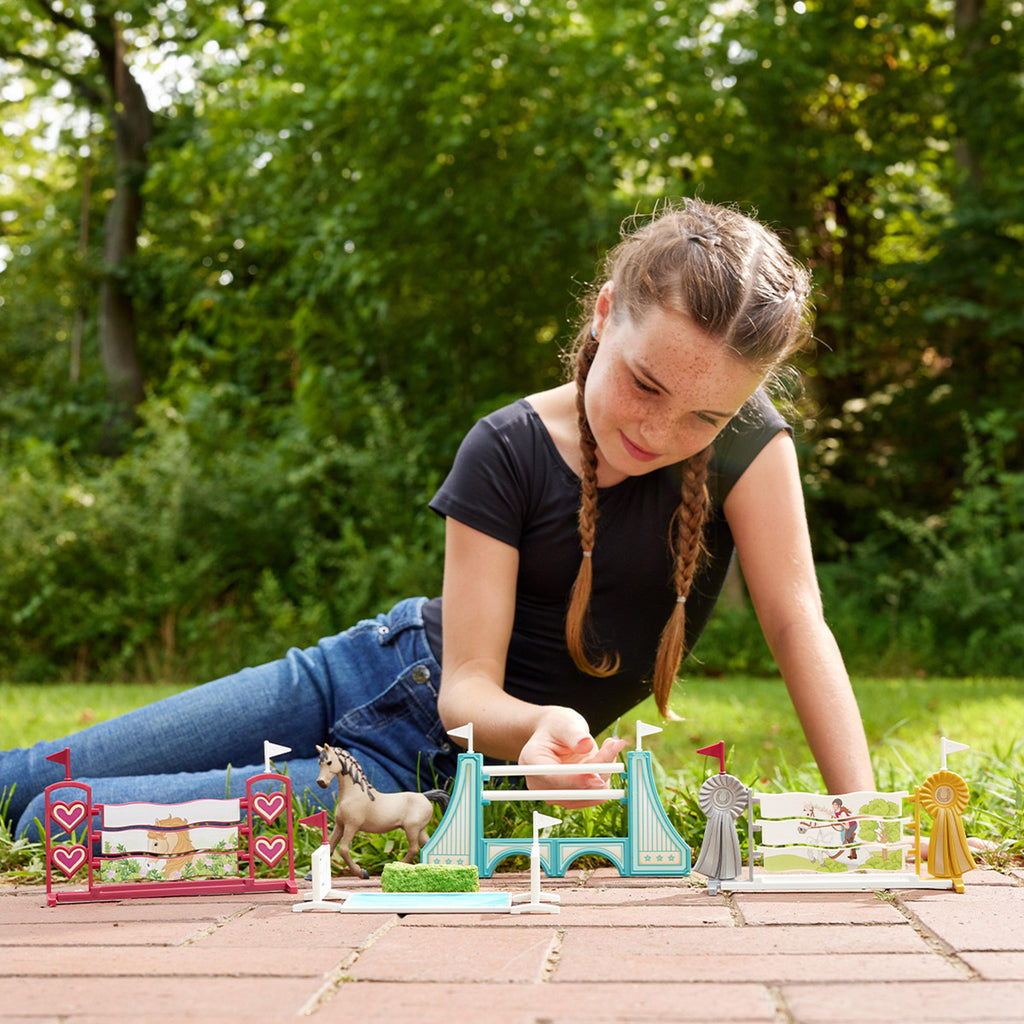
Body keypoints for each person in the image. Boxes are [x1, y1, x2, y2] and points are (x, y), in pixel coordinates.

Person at [1, 197, 874, 840]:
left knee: (57, 821)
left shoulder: (749, 443)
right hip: (367, 674)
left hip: (410, 779)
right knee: (37, 775)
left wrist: (860, 813)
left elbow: (799, 622)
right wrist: (536, 720)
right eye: (646, 384)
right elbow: (465, 688)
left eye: (703, 417)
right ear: (605, 315)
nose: (659, 429)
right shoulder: (505, 448)